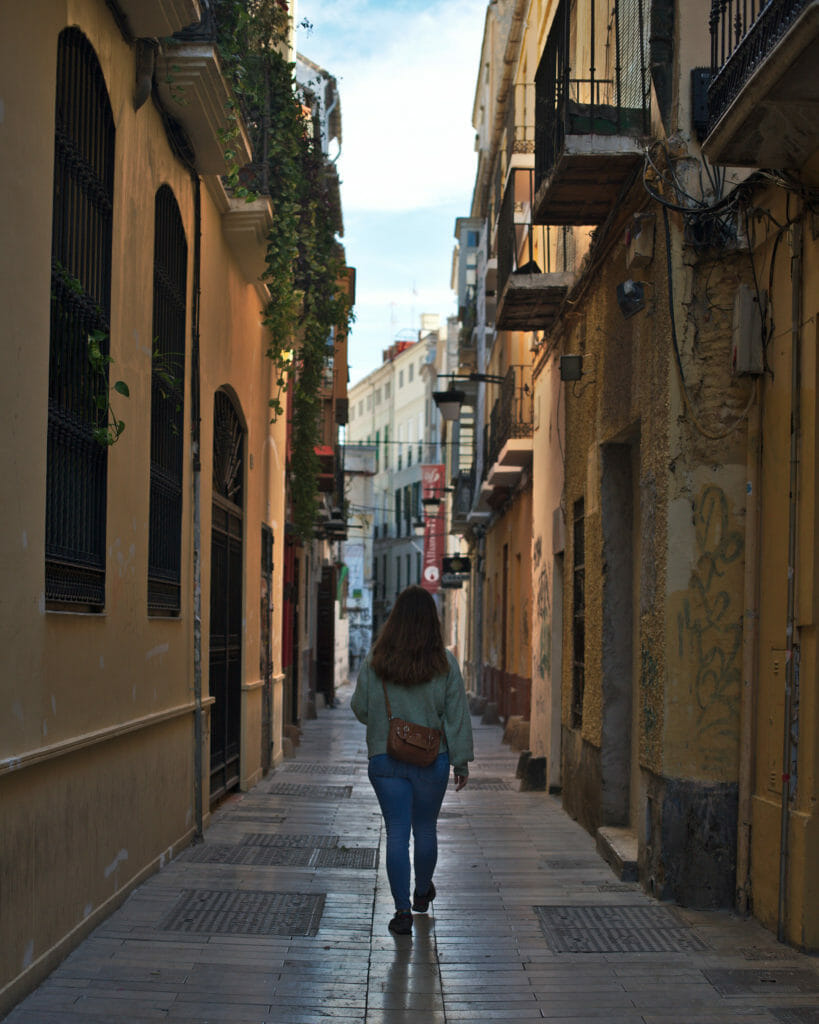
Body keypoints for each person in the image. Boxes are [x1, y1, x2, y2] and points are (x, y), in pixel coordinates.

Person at [351, 585, 474, 935]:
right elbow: (457, 715)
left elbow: (360, 707)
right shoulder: (444, 662)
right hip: (431, 760)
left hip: (385, 759)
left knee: (396, 832)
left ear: (395, 620)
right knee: (425, 829)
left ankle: (402, 911)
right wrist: (461, 762)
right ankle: (422, 893)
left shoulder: (377, 659)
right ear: (431, 620)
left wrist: (386, 724)